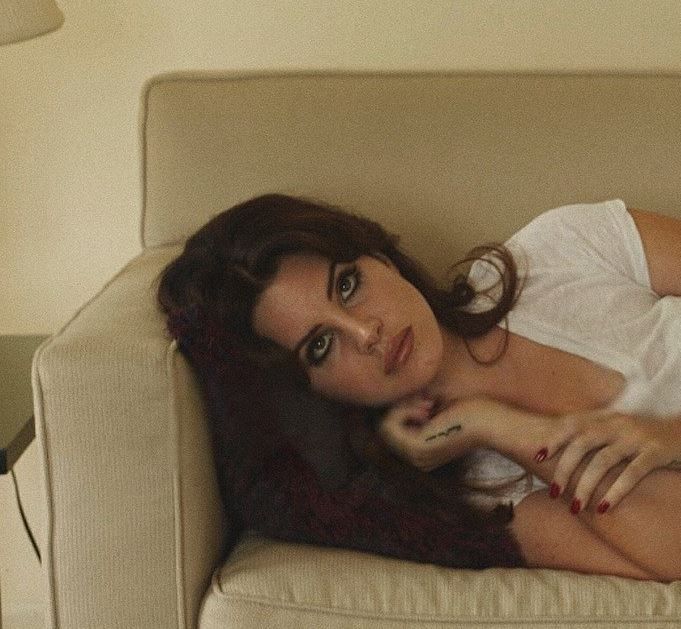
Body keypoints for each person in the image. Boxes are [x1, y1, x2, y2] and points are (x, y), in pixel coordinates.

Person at [157, 193, 681, 581]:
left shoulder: (556, 251)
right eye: (320, 346)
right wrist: (493, 425)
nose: (366, 334)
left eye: (347, 284)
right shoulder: (473, 492)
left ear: (380, 257)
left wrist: (670, 436)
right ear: (314, 392)